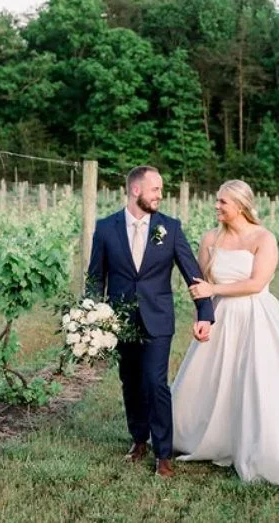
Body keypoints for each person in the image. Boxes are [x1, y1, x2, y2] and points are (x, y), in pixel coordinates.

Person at [171, 179, 279, 491]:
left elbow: (256, 283)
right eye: (217, 200)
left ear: (240, 205)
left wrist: (214, 289)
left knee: (258, 380)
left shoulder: (264, 238)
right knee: (211, 379)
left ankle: (265, 446)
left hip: (255, 316)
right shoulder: (210, 238)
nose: (216, 206)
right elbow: (201, 286)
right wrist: (202, 317)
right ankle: (206, 436)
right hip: (221, 317)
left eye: (222, 202)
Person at [86, 165, 214, 478]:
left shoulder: (169, 227)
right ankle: (138, 439)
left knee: (156, 383)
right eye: (155, 189)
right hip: (120, 321)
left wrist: (205, 312)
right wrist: (91, 315)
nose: (160, 195)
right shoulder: (105, 228)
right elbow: (95, 277)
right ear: (135, 190)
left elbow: (190, 270)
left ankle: (164, 454)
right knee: (130, 381)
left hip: (158, 317)